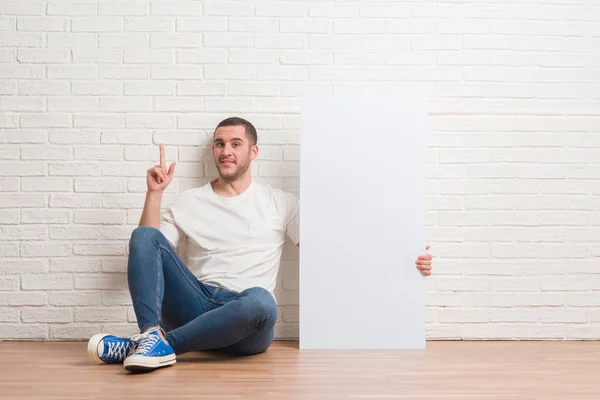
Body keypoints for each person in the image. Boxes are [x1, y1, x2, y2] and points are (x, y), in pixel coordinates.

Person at [87, 117, 434, 372]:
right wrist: (155, 194)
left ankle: (151, 346)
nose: (226, 151)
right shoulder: (190, 201)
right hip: (193, 305)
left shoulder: (280, 202)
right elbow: (149, 251)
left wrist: (401, 257)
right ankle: (150, 335)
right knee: (143, 234)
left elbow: (329, 252)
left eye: (235, 144)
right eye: (220, 144)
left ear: (253, 151)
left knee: (261, 300)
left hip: (246, 321)